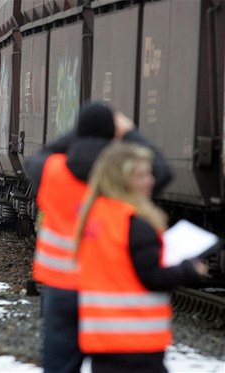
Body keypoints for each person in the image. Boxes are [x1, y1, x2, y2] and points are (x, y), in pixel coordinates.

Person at [23, 101, 173, 373]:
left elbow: (36, 158)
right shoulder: (120, 177)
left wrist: (78, 132)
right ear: (112, 134)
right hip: (108, 292)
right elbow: (162, 170)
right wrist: (128, 134)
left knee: (59, 366)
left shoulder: (53, 170)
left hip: (62, 288)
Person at [74, 142, 207, 373]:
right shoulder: (135, 224)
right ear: (121, 179)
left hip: (102, 339)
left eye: (149, 174)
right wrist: (189, 270)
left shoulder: (93, 217)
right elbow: (151, 277)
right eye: (141, 175)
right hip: (135, 341)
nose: (151, 181)